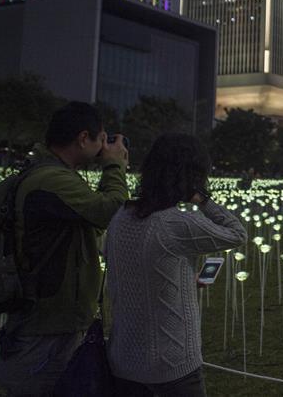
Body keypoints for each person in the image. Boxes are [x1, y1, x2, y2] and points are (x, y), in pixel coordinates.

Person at [0, 101, 129, 396]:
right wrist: (114, 165)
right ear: (84, 138)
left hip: (52, 318)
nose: (104, 147)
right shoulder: (51, 179)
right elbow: (113, 211)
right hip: (45, 325)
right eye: (102, 139)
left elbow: (90, 224)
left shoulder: (54, 175)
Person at [106, 133, 246, 396]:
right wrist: (202, 199)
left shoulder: (120, 218)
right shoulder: (176, 224)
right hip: (172, 364)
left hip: (123, 359)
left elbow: (134, 270)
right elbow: (237, 232)